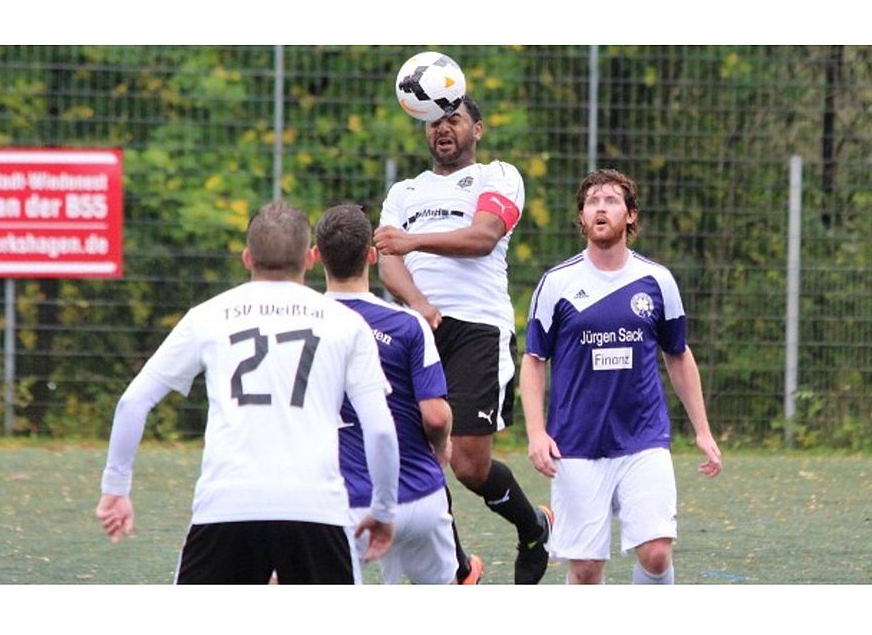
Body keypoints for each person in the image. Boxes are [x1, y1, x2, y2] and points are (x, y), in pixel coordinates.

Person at [95, 200, 399, 584]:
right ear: (309, 259)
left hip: (226, 505)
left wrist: (115, 488)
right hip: (316, 508)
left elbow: (133, 401)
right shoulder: (346, 325)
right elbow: (381, 430)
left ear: (246, 257)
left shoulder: (208, 315)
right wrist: (385, 509)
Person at [374, 94, 552, 585]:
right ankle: (456, 568)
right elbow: (387, 257)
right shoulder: (404, 192)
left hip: (478, 329)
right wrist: (420, 304)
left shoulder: (498, 176)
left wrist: (411, 241)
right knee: (421, 448)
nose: (442, 128)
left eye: (453, 119)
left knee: (470, 466)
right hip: (417, 330)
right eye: (433, 122)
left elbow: (483, 237)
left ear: (478, 128)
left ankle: (534, 528)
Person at [520, 168, 723, 585]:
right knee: (586, 569)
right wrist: (537, 433)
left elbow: (679, 355)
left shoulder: (657, 281)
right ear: (581, 217)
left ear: (630, 216)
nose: (600, 207)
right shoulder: (556, 284)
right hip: (575, 442)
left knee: (656, 552)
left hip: (642, 438)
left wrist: (702, 430)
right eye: (591, 201)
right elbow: (534, 360)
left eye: (611, 200)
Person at [315, 203, 464, 584]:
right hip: (421, 497)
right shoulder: (408, 324)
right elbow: (435, 415)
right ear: (371, 254)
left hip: (347, 505)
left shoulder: (306, 327)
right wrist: (443, 446)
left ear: (317, 257)